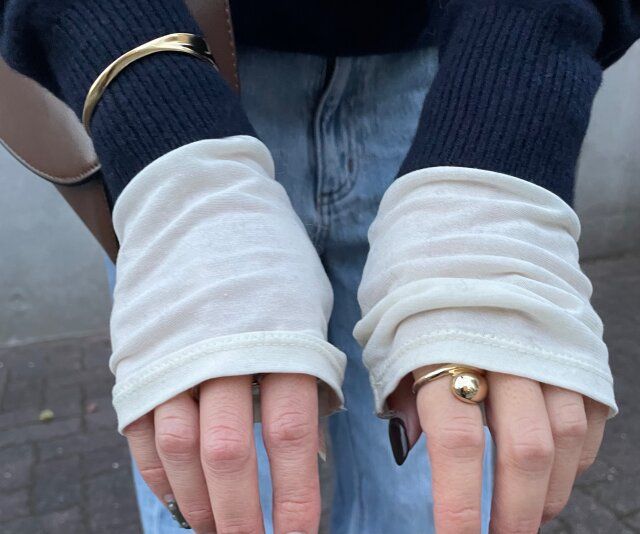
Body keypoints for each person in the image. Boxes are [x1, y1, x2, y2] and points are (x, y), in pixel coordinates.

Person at [1, 1, 638, 533]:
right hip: (177, 83)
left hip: (458, 83)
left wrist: (503, 143)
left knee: (441, 490)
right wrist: (169, 156)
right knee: (215, 477)